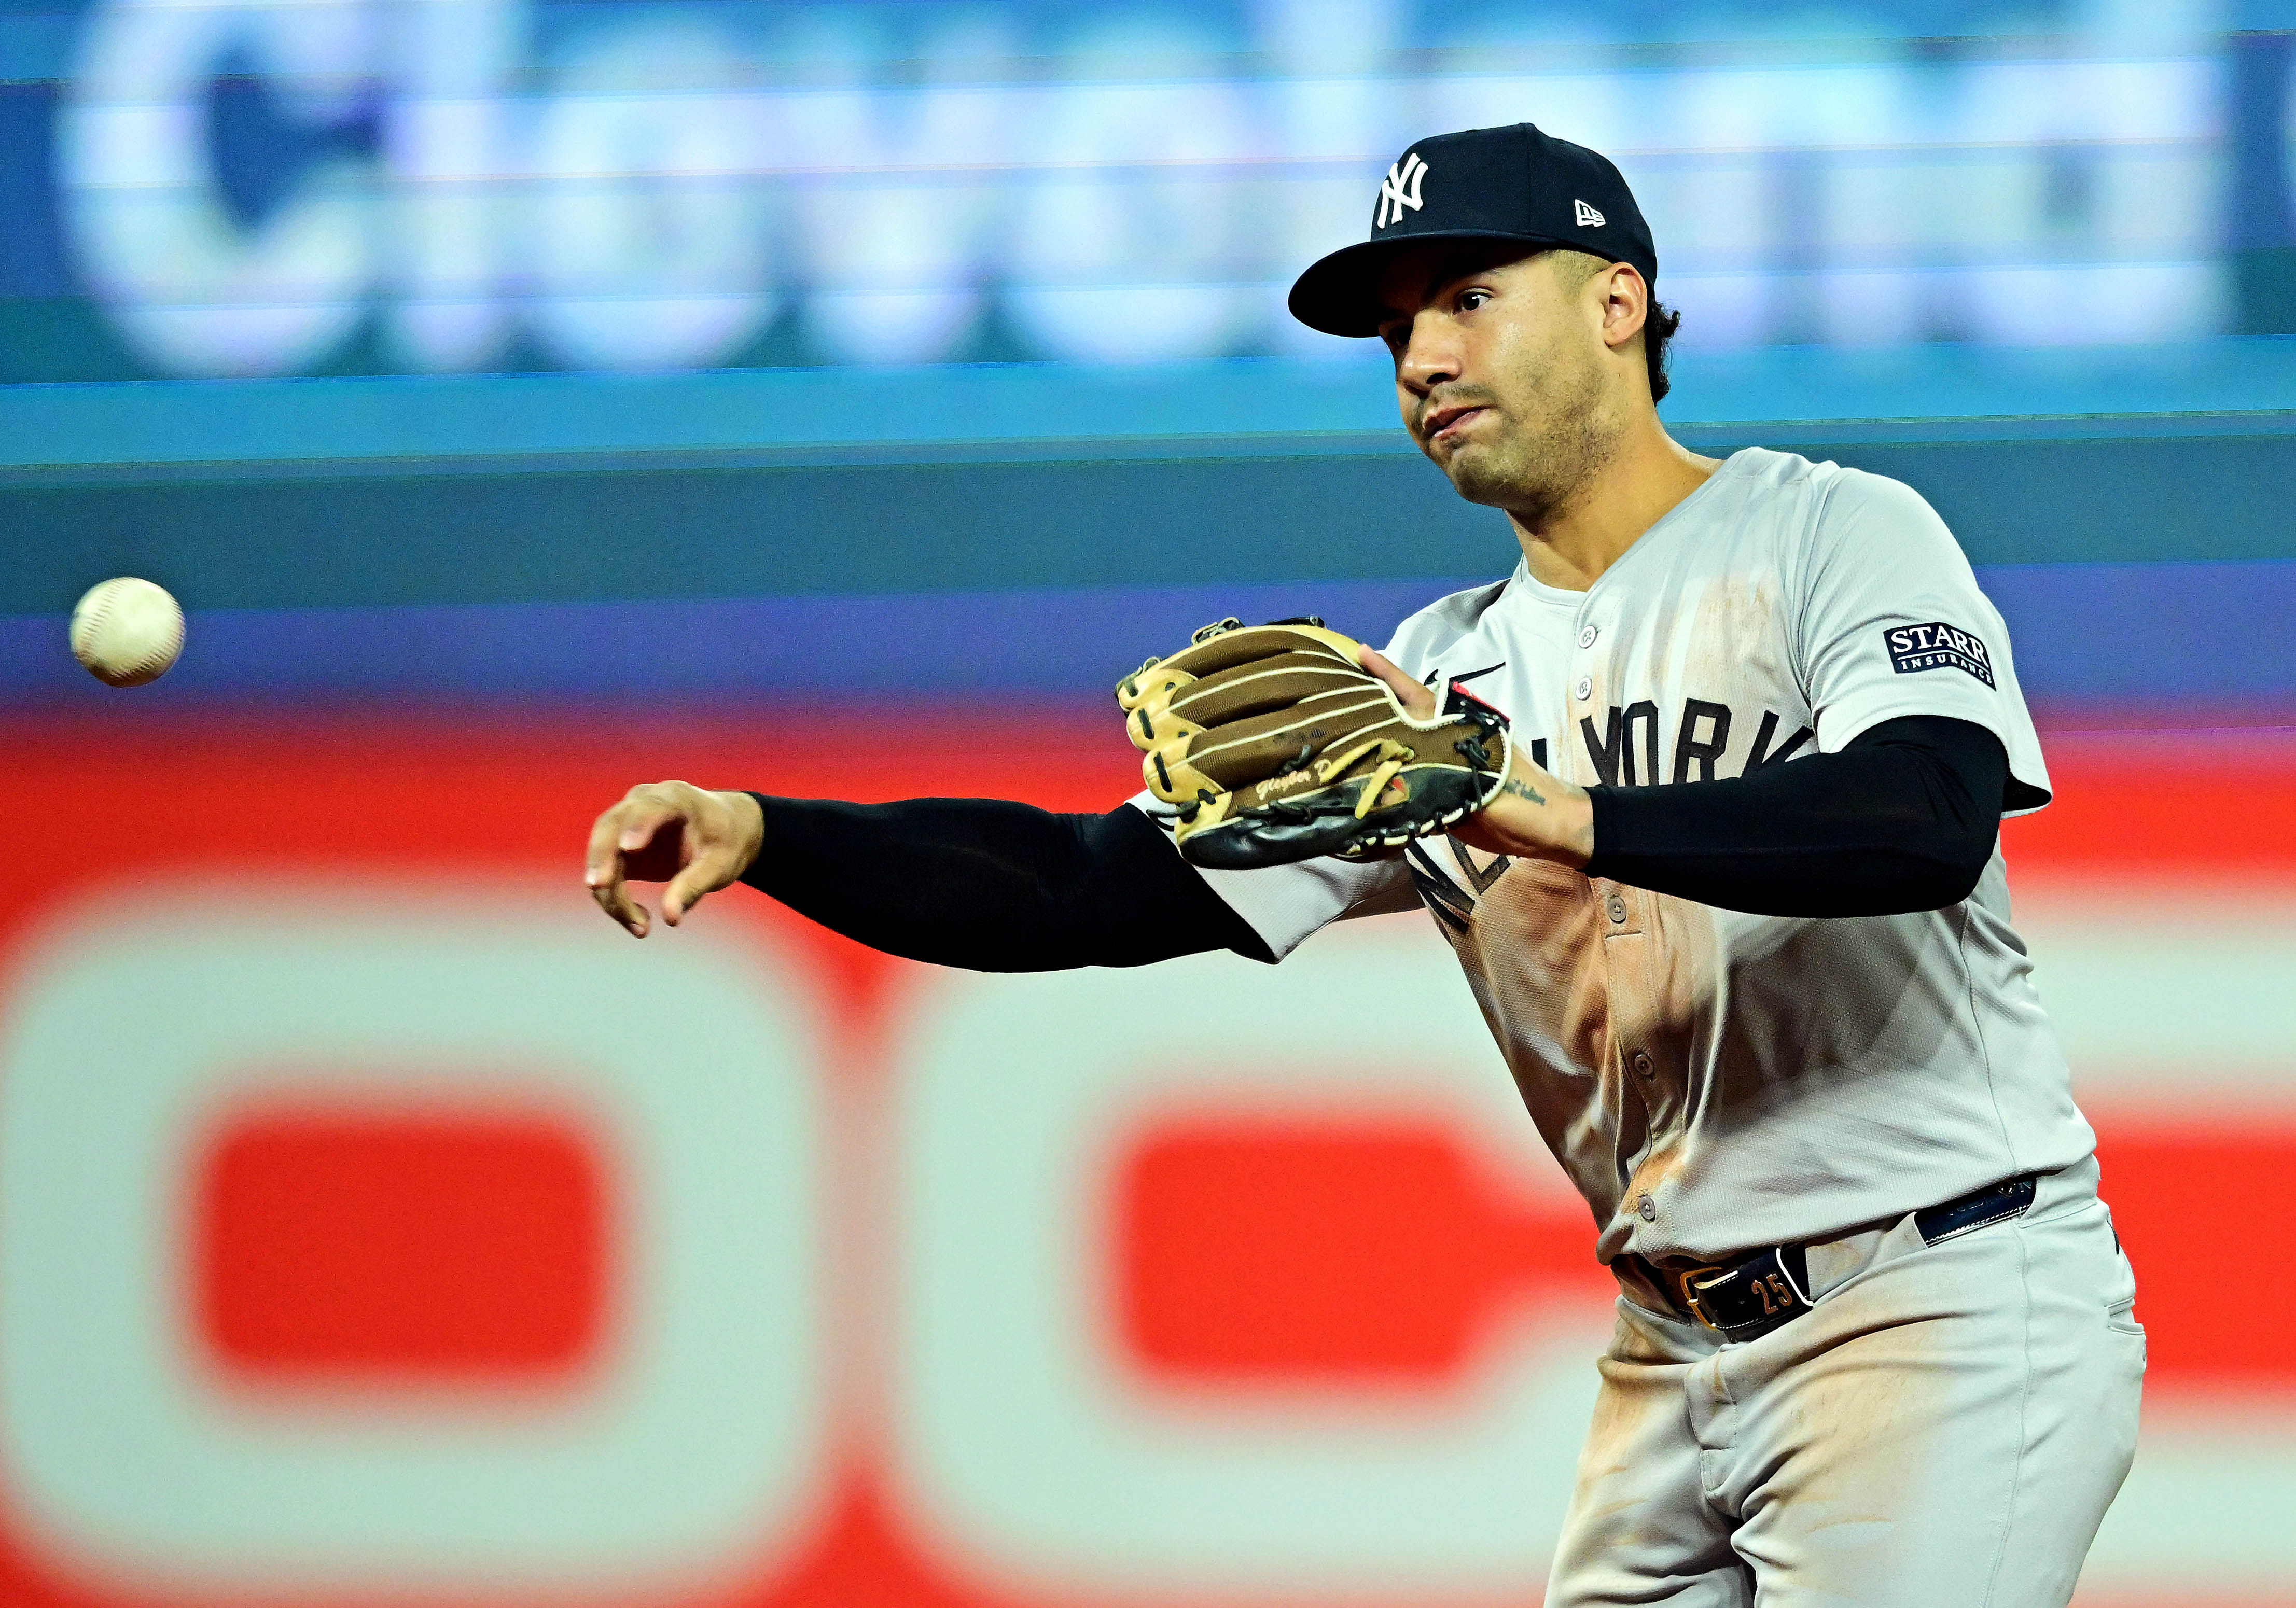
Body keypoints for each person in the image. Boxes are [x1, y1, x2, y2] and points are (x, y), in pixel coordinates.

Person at [583, 124, 2141, 1607]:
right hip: (1670, 1352)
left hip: (1935, 1300)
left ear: (1617, 304)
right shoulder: (1427, 680)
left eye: (1467, 297)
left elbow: (1927, 812)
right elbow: (1086, 885)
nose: (1421, 359)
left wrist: (1565, 813)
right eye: (1396, 326)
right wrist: (768, 832)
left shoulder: (1827, 536)